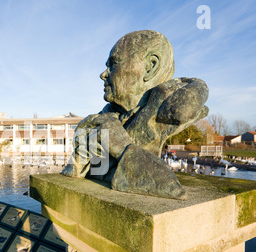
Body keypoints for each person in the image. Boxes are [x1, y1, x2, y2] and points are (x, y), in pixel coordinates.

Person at [62, 30, 208, 199]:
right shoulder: (107, 117)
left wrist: (122, 148)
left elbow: (173, 190)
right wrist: (80, 157)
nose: (103, 74)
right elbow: (97, 173)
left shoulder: (167, 115)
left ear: (151, 66)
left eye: (113, 64)